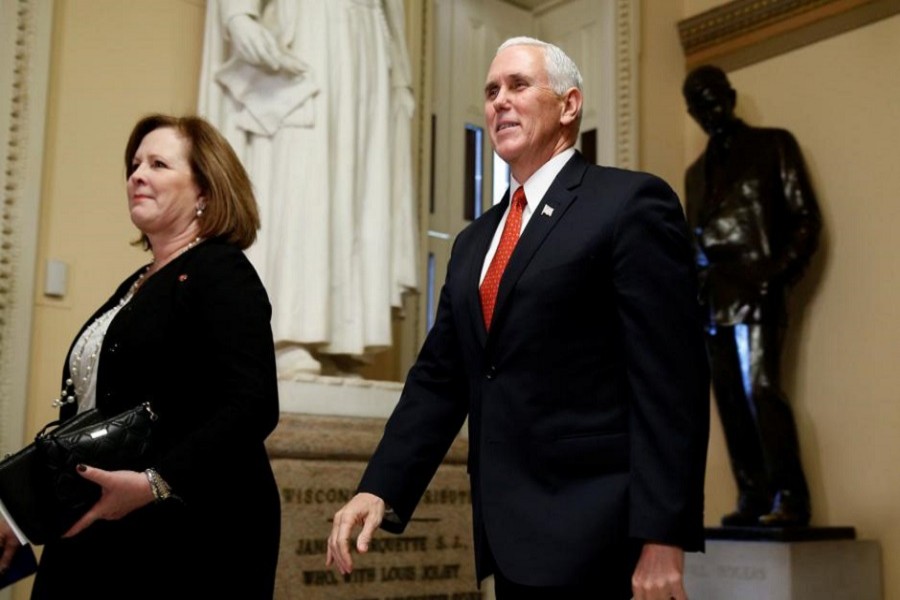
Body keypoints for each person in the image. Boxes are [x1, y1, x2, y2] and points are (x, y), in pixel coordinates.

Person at [326, 37, 710, 600]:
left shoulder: (629, 205)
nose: (499, 100)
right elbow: (441, 378)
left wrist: (663, 536)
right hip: (509, 538)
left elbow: (669, 382)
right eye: (490, 91)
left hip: (606, 533)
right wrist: (379, 487)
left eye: (518, 85)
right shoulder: (474, 242)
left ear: (569, 104)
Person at [0, 114, 281, 598]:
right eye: (133, 165)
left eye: (157, 163)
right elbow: (91, 418)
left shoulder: (220, 271)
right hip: (98, 524)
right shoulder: (136, 283)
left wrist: (155, 482)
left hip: (185, 538)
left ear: (206, 192)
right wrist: (21, 515)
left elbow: (252, 404)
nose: (136, 175)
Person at [198, 0, 418, 377]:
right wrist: (237, 14)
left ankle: (340, 339)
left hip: (366, 39)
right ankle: (287, 332)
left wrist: (400, 74)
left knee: (356, 187)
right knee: (303, 178)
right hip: (308, 27)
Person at [682, 65, 822, 527]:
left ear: (731, 95)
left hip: (758, 292)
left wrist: (774, 276)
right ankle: (754, 495)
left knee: (762, 391)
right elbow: (694, 240)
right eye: (697, 104)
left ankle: (791, 498)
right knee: (729, 401)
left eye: (713, 97)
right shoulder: (695, 173)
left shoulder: (773, 145)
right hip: (712, 303)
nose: (708, 109)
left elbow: (806, 219)